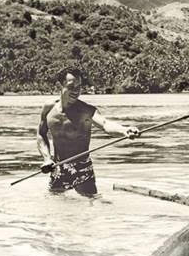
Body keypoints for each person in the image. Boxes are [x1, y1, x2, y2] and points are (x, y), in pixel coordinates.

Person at [37, 67, 139, 196]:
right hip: (57, 167)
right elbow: (41, 134)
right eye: (71, 86)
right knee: (55, 206)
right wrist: (46, 159)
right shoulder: (48, 108)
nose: (76, 91)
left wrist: (124, 130)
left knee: (91, 204)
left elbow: (105, 124)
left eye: (79, 86)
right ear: (60, 85)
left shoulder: (86, 111)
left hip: (82, 168)